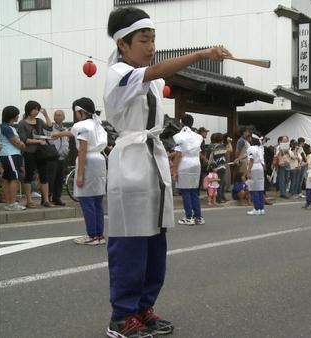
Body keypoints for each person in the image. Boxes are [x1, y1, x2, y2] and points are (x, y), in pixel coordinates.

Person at [103, 6, 232, 337]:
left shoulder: (148, 81)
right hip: (130, 162)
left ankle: (144, 307)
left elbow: (155, 75)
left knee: (154, 242)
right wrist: (203, 53)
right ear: (122, 44)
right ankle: (122, 315)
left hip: (152, 162)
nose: (151, 47)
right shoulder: (118, 74)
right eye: (144, 40)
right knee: (130, 241)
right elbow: (156, 71)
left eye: (153, 39)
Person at [63, 98, 108, 245]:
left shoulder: (81, 125)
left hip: (87, 161)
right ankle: (99, 235)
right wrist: (59, 135)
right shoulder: (97, 124)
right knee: (97, 202)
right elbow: (75, 134)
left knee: (87, 201)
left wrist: (80, 174)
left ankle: (92, 235)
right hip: (99, 160)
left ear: (81, 112)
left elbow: (82, 148)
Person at [17, 100, 56, 208]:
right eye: (34, 109)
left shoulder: (39, 121)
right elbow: (24, 140)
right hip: (29, 152)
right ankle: (29, 201)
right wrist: (38, 141)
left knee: (44, 175)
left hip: (41, 152)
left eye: (38, 109)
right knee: (29, 176)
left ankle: (46, 200)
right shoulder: (22, 123)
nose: (36, 111)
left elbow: (49, 127)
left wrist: (46, 115)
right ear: (28, 109)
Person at [172, 114, 205, 225]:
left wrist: (174, 170)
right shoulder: (197, 136)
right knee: (194, 191)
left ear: (181, 122)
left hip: (185, 164)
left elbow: (178, 154)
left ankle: (189, 217)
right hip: (196, 163)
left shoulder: (180, 136)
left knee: (186, 191)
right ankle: (198, 217)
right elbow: (199, 152)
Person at [0, 106, 26, 211]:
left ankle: (9, 203)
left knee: (6, 178)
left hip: (9, 155)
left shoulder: (8, 127)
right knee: (14, 179)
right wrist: (22, 144)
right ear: (12, 116)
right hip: (11, 155)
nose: (18, 116)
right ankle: (12, 203)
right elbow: (15, 142)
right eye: (17, 114)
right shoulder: (6, 127)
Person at [48, 110, 70, 206]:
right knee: (50, 178)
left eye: (59, 115)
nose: (57, 117)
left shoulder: (66, 129)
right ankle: (47, 198)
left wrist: (67, 150)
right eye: (55, 115)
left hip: (62, 157)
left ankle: (57, 198)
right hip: (52, 156)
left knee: (59, 179)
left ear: (64, 117)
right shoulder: (50, 128)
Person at [245, 134, 266, 215]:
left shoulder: (250, 148)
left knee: (254, 189)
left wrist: (248, 172)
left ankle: (256, 209)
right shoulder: (260, 148)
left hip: (253, 168)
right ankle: (261, 209)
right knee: (260, 189)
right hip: (260, 167)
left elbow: (251, 160)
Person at [209, 133, 232, 203]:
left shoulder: (212, 146)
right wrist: (229, 142)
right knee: (221, 183)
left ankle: (220, 197)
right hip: (221, 166)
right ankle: (219, 198)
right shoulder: (221, 146)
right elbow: (231, 150)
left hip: (214, 166)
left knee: (220, 182)